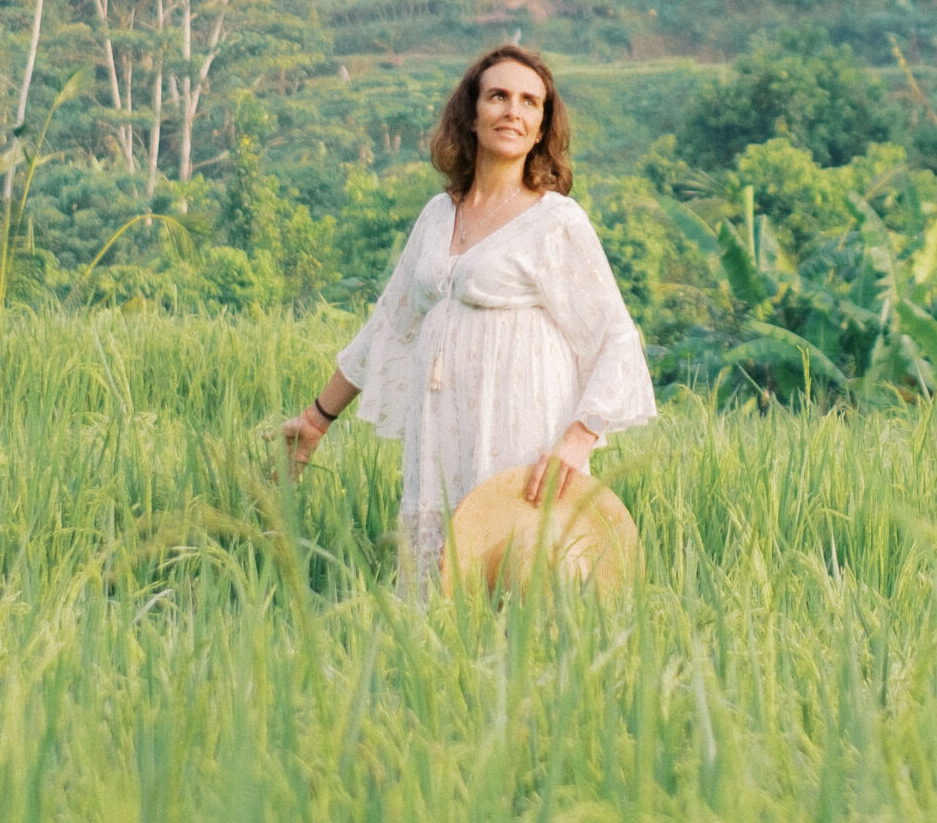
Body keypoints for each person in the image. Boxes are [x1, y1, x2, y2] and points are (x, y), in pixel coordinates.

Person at [280, 44, 657, 584]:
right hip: (444, 431)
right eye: (498, 96)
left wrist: (577, 442)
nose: (513, 111)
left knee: (522, 579)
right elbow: (390, 324)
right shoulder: (438, 215)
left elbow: (615, 337)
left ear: (542, 125)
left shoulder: (558, 222)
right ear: (471, 114)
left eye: (530, 102)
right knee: (440, 589)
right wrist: (317, 419)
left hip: (524, 432)